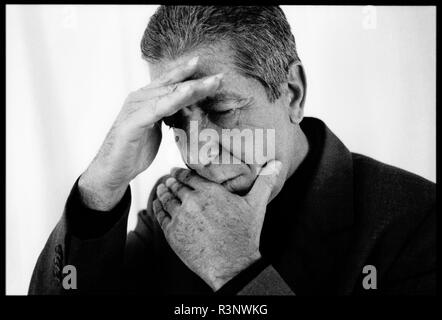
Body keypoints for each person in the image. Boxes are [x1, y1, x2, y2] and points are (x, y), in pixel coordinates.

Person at [29, 6, 435, 295]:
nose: (197, 155)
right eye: (174, 120)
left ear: (292, 93)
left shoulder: (417, 220)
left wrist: (236, 269)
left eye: (220, 109)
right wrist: (100, 188)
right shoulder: (173, 209)